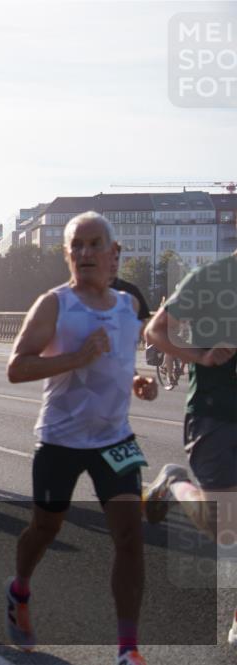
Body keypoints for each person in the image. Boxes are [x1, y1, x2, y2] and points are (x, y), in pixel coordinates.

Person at [5, 212, 158, 665]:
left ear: (115, 255)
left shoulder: (129, 307)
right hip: (60, 440)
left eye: (95, 245)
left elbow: (117, 366)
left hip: (115, 440)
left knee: (130, 537)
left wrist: (139, 383)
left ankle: (127, 648)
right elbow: (17, 368)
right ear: (68, 255)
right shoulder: (54, 304)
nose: (86, 253)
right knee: (46, 528)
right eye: (77, 246)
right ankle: (20, 587)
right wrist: (75, 356)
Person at [143, 249, 237, 648]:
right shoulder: (212, 278)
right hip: (215, 416)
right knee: (227, 528)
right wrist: (201, 356)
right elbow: (156, 332)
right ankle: (175, 482)